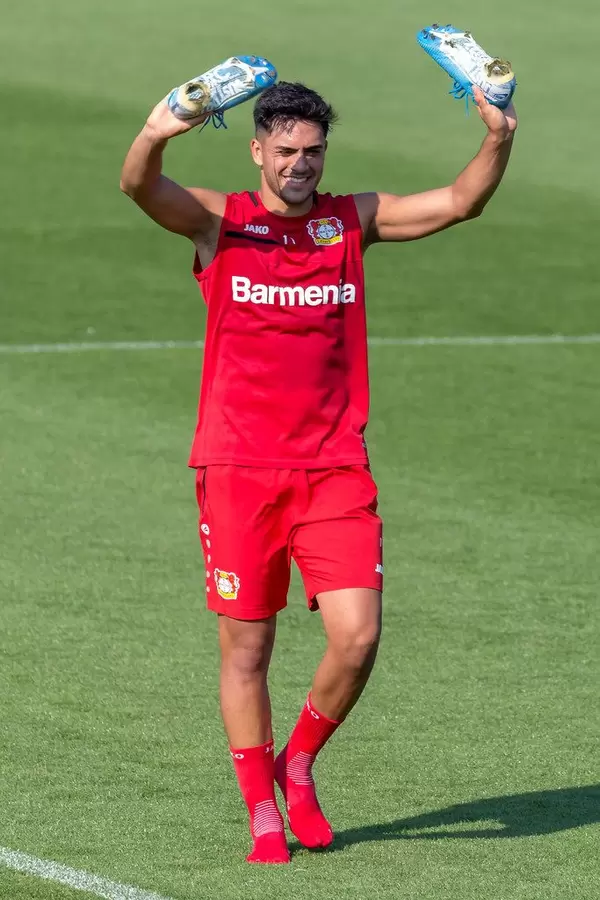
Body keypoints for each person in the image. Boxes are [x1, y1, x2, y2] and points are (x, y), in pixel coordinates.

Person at [120, 79, 517, 864]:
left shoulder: (350, 221)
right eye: (288, 152)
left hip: (334, 466)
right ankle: (260, 808)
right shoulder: (218, 222)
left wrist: (499, 135)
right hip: (237, 467)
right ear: (258, 150)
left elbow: (461, 201)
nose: (301, 165)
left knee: (357, 637)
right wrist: (157, 128)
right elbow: (139, 184)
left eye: (314, 152)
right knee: (248, 649)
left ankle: (297, 761)